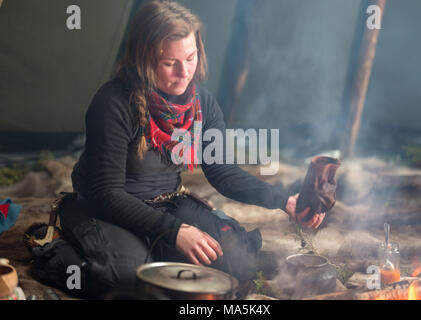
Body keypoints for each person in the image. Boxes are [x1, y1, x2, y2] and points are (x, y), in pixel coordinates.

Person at [46, 0, 325, 298]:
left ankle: (156, 250)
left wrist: (285, 200)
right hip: (105, 209)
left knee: (237, 261)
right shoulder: (113, 103)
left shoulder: (201, 104)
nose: (184, 72)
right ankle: (54, 252)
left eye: (190, 58)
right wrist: (175, 230)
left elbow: (223, 173)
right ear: (143, 58)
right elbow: (107, 193)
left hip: (166, 204)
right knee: (134, 283)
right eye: (169, 64)